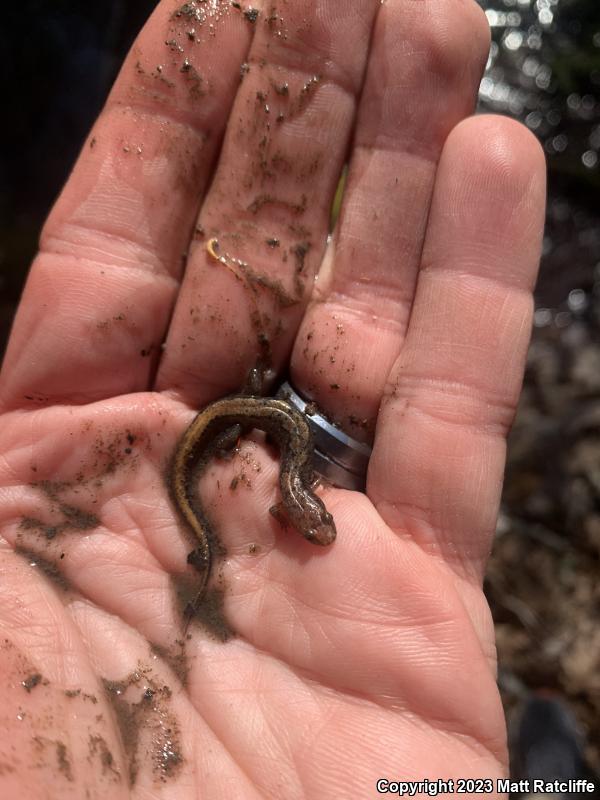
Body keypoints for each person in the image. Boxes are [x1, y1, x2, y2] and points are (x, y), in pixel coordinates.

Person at [0, 0, 546, 796]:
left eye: (310, 521)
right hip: (241, 422)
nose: (314, 526)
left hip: (251, 421)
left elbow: (293, 477)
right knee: (232, 434)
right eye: (313, 520)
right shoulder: (292, 484)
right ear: (300, 508)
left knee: (241, 430)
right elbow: (293, 475)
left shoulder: (292, 487)